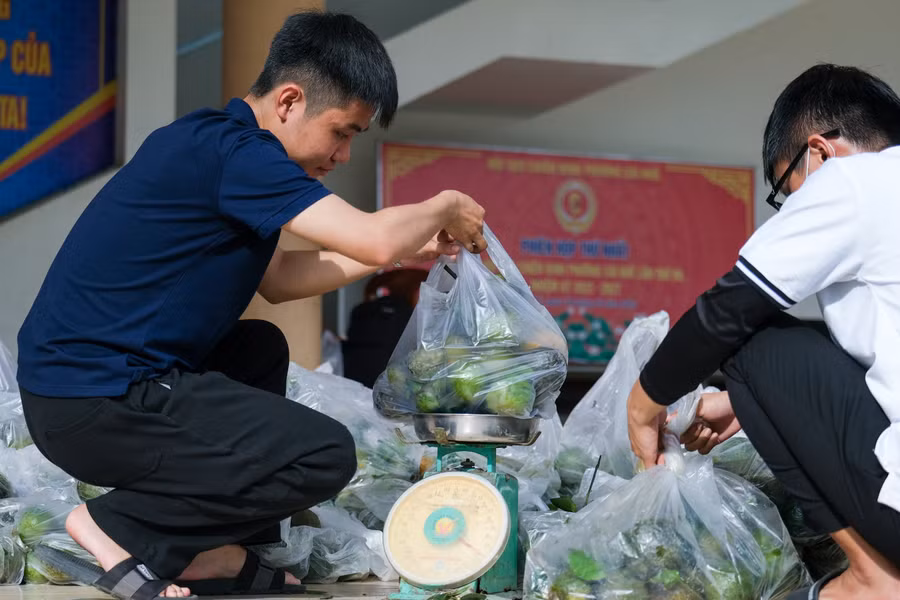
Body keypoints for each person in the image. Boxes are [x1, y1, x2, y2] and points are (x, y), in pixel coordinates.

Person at [15, 11, 485, 600]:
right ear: (289, 101)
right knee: (323, 453)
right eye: (342, 132)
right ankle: (123, 527)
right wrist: (443, 206)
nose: (342, 155)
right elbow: (370, 235)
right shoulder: (236, 152)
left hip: (84, 394)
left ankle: (220, 548)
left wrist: (404, 248)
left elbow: (283, 278)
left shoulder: (220, 148)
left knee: (259, 347)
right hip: (94, 400)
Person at [626, 64, 900, 599]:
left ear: (819, 152)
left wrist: (642, 405)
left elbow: (728, 312)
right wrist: (753, 403)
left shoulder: (857, 179)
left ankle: (873, 579)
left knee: (753, 339)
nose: (792, 207)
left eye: (787, 189)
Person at [342, 268, 428, 388]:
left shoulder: (362, 310)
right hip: (392, 387)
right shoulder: (412, 317)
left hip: (353, 381)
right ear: (413, 290)